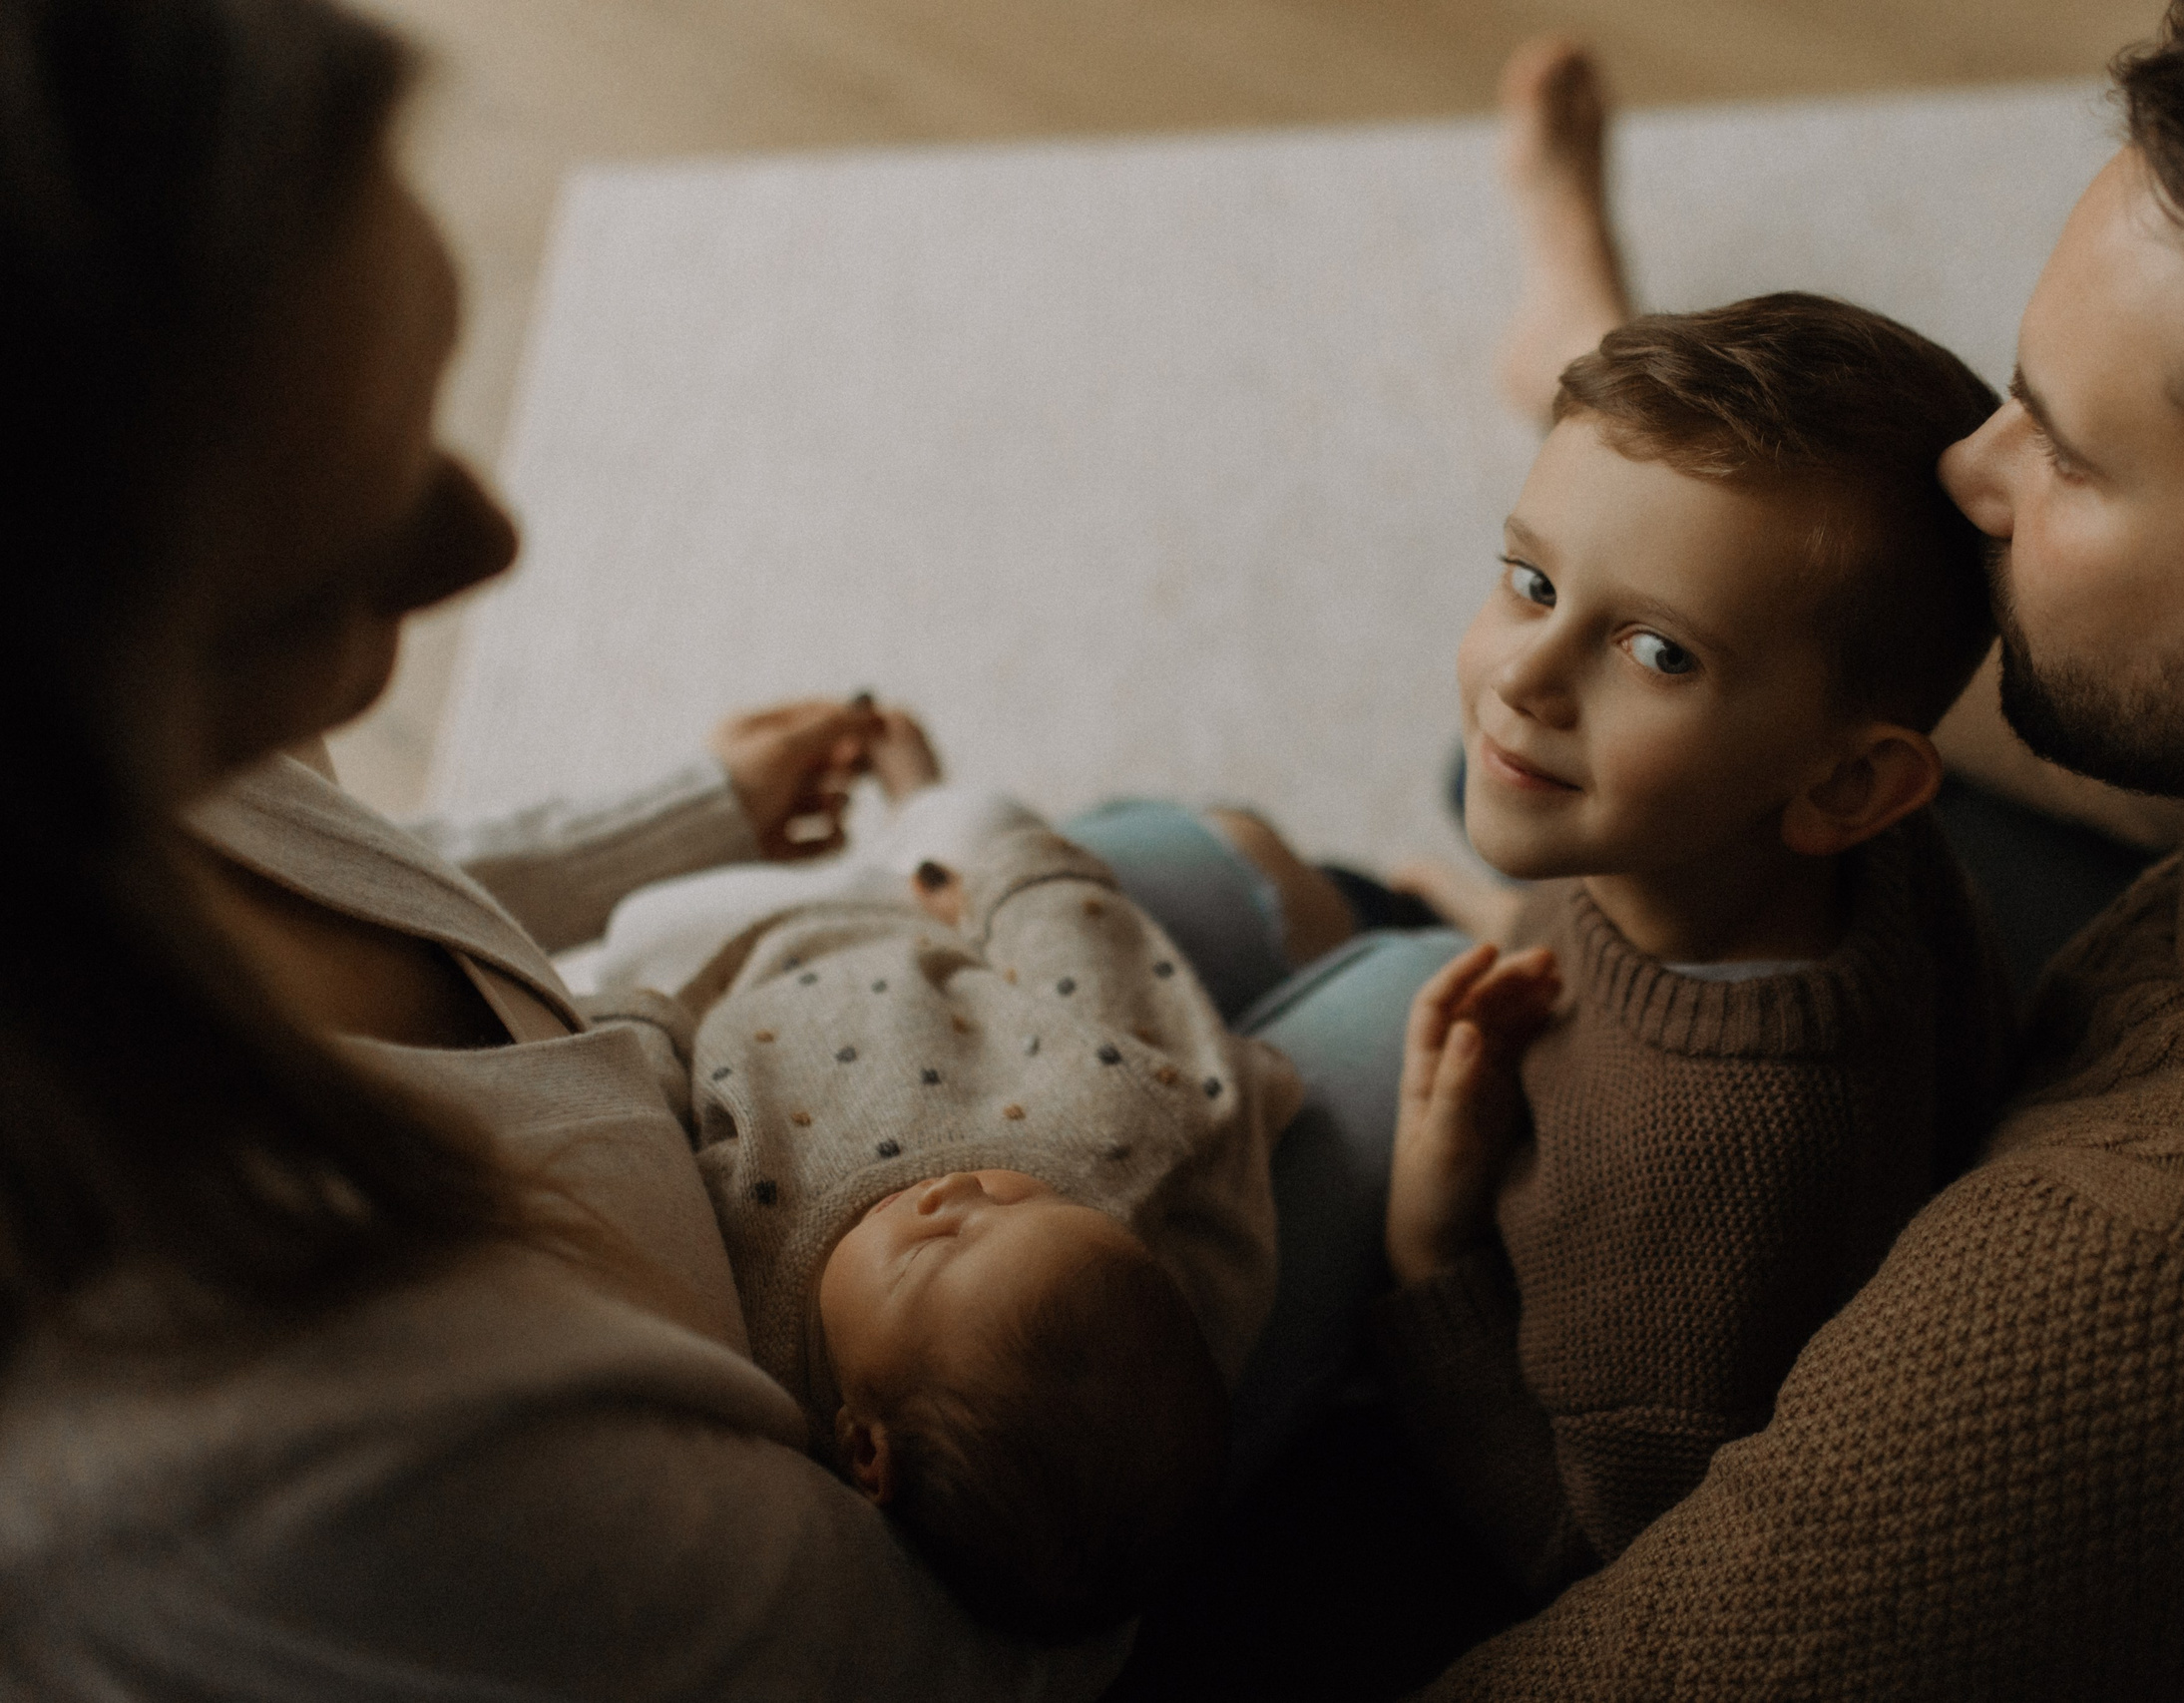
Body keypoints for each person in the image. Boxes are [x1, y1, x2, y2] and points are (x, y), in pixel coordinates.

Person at [1399, 2, 2184, 1693]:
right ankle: (1584, 365)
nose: (1971, 467)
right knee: (1651, 706)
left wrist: (1422, 1280)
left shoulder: (2116, 1303)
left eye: (2066, 451)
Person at [0, 1, 1121, 1694]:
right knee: (1343, 998)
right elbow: (941, 1660)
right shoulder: (312, 1464)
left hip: (715, 1113)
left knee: (1146, 859)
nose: (494, 540)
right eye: (340, 555)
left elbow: (360, 863)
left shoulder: (112, 809)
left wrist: (679, 820)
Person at [1372, 297, 2014, 1600]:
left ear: (1848, 786)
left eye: (1658, 650)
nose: (1527, 675)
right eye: (1534, 582)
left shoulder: (1703, 1182)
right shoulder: (1811, 853)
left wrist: (1426, 1251)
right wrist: (1508, 924)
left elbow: (1598, 1553)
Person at [588, 709, 1297, 1637]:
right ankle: (922, 796)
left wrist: (628, 1034)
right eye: (1023, 1200)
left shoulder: (747, 1329)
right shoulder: (1105, 1138)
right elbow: (1093, 969)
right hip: (921, 917)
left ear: (864, 1447)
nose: (959, 1191)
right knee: (985, 816)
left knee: (635, 924)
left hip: (730, 966)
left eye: (934, 1245)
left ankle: (917, 817)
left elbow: (640, 1137)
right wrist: (1013, 888)